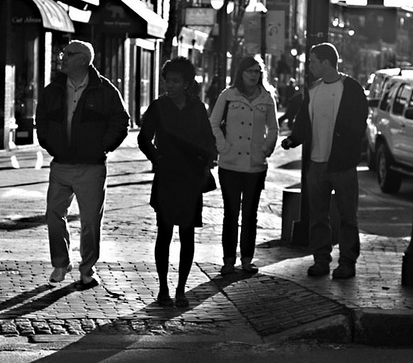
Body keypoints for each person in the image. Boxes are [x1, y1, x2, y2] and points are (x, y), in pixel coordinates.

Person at [36, 40, 129, 291]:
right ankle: (60, 263)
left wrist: (102, 147)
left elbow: (121, 122)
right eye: (62, 52)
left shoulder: (105, 90)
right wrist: (49, 143)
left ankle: (87, 269)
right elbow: (41, 118)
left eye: (68, 54)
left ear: (83, 60)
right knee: (54, 216)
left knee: (90, 221)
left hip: (92, 166)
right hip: (61, 164)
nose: (62, 57)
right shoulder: (53, 88)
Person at [281, 43, 368, 279]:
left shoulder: (351, 89)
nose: (310, 66)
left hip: (342, 165)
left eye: (313, 61)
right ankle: (321, 260)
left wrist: (348, 151)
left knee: (347, 216)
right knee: (318, 216)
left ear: (327, 63)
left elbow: (359, 124)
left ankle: (347, 262)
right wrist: (293, 140)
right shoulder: (313, 91)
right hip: (316, 163)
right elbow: (303, 123)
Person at [138, 57, 215, 307]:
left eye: (176, 81)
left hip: (191, 179)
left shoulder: (197, 108)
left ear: (187, 83)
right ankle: (163, 288)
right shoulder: (159, 107)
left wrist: (206, 158)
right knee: (164, 232)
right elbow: (143, 138)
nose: (170, 85)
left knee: (187, 234)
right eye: (168, 80)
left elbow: (208, 138)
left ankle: (181, 288)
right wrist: (157, 157)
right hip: (167, 177)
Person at [210, 56, 279, 276]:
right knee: (231, 212)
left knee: (250, 213)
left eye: (257, 71)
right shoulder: (228, 95)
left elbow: (274, 128)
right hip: (230, 164)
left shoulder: (267, 98)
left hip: (255, 166)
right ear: (240, 72)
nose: (253, 75)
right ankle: (228, 260)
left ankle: (247, 259)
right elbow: (213, 123)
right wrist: (223, 146)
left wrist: (266, 148)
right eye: (249, 71)